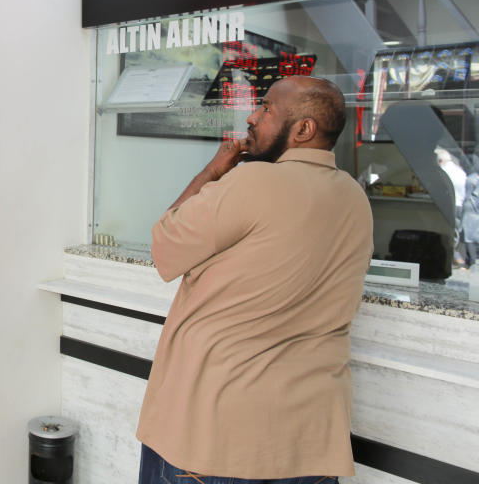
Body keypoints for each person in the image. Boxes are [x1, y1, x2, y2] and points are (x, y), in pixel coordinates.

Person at [137, 76, 374, 484]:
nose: (253, 117)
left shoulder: (251, 181)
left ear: (303, 129)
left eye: (266, 109)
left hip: (215, 437)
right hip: (309, 444)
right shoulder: (356, 199)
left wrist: (214, 169)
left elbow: (164, 244)